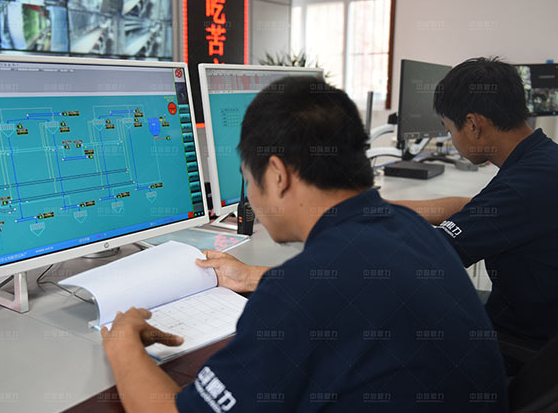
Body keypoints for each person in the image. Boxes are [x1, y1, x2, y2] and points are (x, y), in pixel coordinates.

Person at [101, 77, 507, 412]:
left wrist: (122, 345)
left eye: (247, 178)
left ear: (277, 175)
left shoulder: (300, 294)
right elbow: (350, 286)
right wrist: (253, 276)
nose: (250, 195)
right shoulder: (407, 227)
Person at [387, 57, 558, 374]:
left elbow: (425, 257)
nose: (452, 140)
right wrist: (385, 207)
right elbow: (474, 207)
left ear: (473, 124)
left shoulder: (519, 188)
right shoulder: (541, 159)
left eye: (449, 129)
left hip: (520, 346)